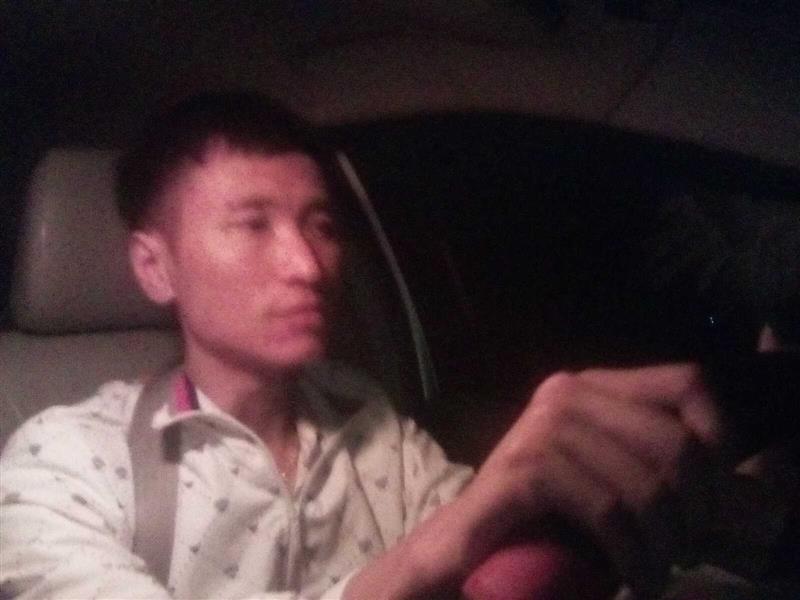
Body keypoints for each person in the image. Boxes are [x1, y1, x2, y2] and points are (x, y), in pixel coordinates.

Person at [1, 91, 727, 600]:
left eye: (320, 225)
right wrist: (449, 540)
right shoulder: (62, 459)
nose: (308, 264)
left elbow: (493, 555)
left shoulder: (367, 420)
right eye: (253, 225)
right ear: (155, 267)